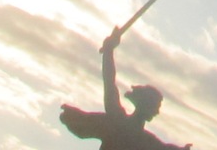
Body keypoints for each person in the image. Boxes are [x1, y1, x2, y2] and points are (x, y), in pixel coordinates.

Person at [58, 29, 187, 150]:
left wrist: (108, 50)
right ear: (144, 104)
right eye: (155, 106)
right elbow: (109, 81)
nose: (157, 112)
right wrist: (108, 51)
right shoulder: (121, 122)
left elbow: (164, 148)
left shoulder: (143, 137)